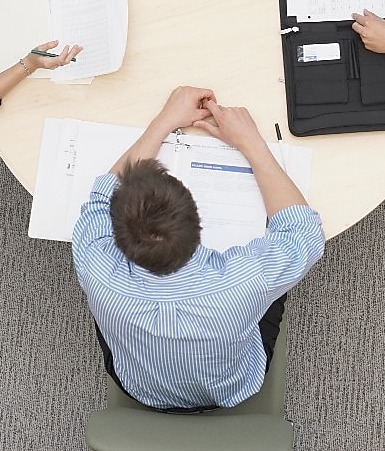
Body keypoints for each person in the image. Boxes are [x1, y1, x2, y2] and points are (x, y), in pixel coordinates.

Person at [72, 86, 324, 412]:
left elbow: (101, 196)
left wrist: (164, 121)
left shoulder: (94, 261)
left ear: (116, 232)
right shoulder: (244, 280)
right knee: (276, 280)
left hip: (137, 385)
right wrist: (251, 142)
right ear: (198, 222)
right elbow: (304, 232)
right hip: (233, 386)